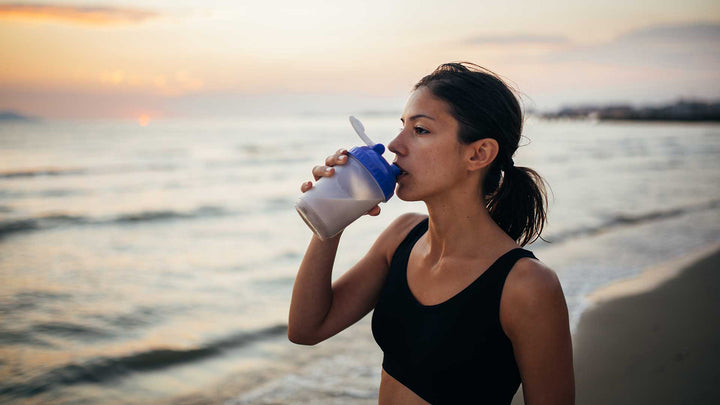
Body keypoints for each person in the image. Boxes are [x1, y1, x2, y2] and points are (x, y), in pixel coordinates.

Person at [288, 62, 574, 405]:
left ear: (478, 153)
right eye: (402, 127)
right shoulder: (401, 237)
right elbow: (307, 328)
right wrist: (332, 215)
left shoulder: (527, 285)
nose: (395, 144)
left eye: (420, 130)